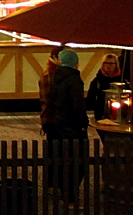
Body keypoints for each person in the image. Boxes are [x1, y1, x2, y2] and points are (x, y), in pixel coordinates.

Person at [40, 49, 89, 205]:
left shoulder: (55, 76)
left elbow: (50, 100)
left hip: (59, 122)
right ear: (76, 63)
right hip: (72, 125)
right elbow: (78, 105)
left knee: (62, 158)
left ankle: (61, 190)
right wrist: (83, 123)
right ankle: (70, 196)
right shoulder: (73, 80)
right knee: (77, 161)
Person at [86, 53, 125, 121]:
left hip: (120, 115)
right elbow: (90, 98)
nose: (108, 65)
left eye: (111, 63)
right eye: (106, 63)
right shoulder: (97, 80)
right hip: (101, 115)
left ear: (116, 64)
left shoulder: (122, 80)